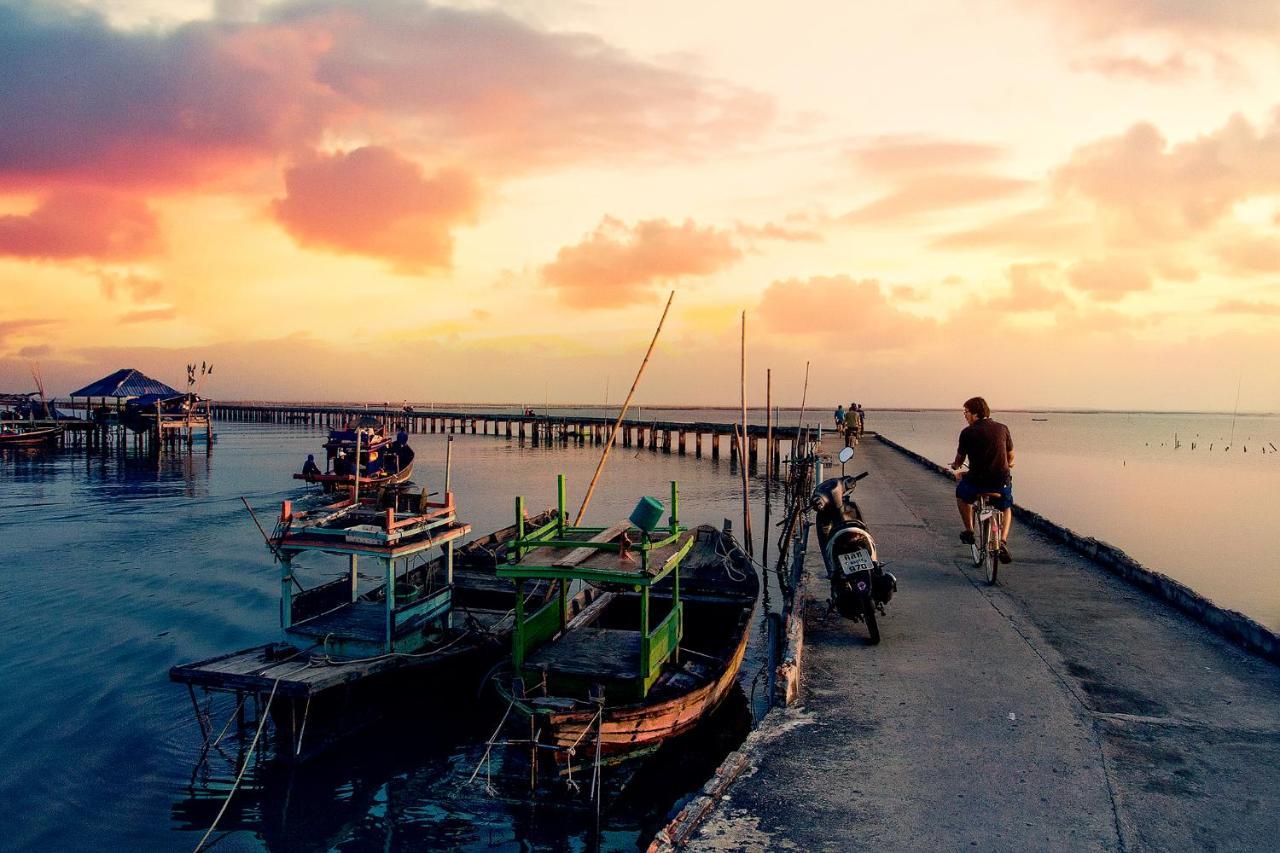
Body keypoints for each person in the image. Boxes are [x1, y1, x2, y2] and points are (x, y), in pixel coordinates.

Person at [950, 396, 1014, 562]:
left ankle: (970, 531)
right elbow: (1011, 457)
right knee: (1006, 507)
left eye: (966, 412)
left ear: (975, 413)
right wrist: (1009, 464)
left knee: (961, 495)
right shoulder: (1002, 428)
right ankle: (1003, 541)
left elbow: (959, 460)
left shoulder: (967, 432)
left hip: (977, 481)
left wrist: (956, 467)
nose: (965, 416)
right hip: (1000, 482)